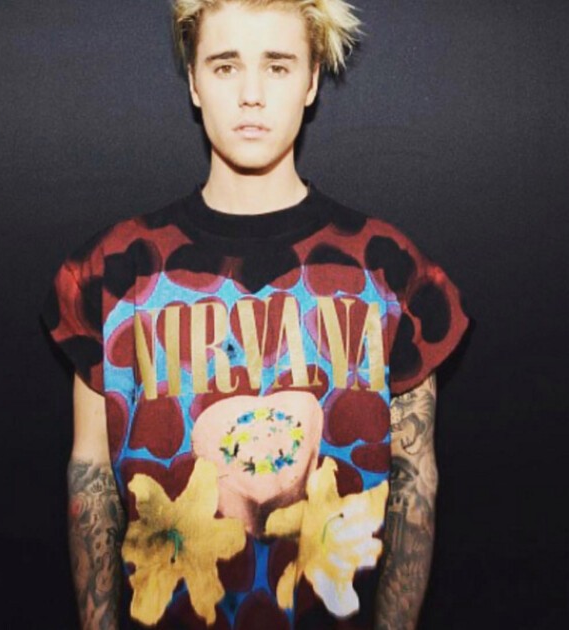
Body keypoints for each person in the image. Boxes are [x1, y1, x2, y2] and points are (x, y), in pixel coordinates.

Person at [41, 1, 469, 628]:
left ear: (311, 80)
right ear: (193, 81)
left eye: (276, 65)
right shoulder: (111, 273)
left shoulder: (391, 272)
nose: (250, 94)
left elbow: (414, 477)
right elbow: (92, 477)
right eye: (224, 66)